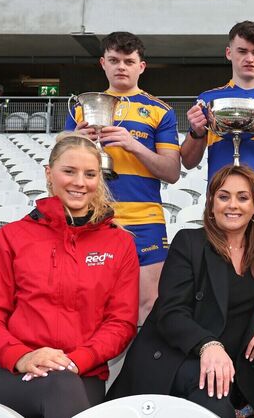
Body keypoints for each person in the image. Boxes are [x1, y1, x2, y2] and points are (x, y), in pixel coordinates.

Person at [0, 133, 139, 418]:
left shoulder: (119, 243)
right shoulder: (12, 237)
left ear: (99, 179)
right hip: (9, 371)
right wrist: (23, 356)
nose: (80, 182)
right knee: (61, 387)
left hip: (81, 371)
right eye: (69, 171)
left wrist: (76, 360)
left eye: (90, 174)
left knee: (63, 385)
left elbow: (121, 323)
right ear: (49, 173)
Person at [108, 165, 254, 418]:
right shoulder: (189, 242)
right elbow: (170, 311)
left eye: (242, 198)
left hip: (235, 369)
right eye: (224, 196)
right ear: (211, 203)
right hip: (178, 358)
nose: (232, 205)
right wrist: (207, 345)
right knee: (215, 401)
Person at [66, 31, 181, 323]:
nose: (121, 67)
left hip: (145, 220)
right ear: (103, 63)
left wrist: (133, 145)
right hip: (93, 217)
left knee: (149, 304)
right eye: (114, 60)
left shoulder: (160, 111)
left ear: (141, 66)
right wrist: (75, 143)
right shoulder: (82, 108)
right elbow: (60, 167)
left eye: (129, 61)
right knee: (90, 303)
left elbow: (171, 172)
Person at [181, 20, 254, 247]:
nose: (249, 58)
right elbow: (188, 161)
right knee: (220, 268)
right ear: (229, 53)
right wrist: (197, 132)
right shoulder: (208, 100)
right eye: (242, 51)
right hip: (222, 206)